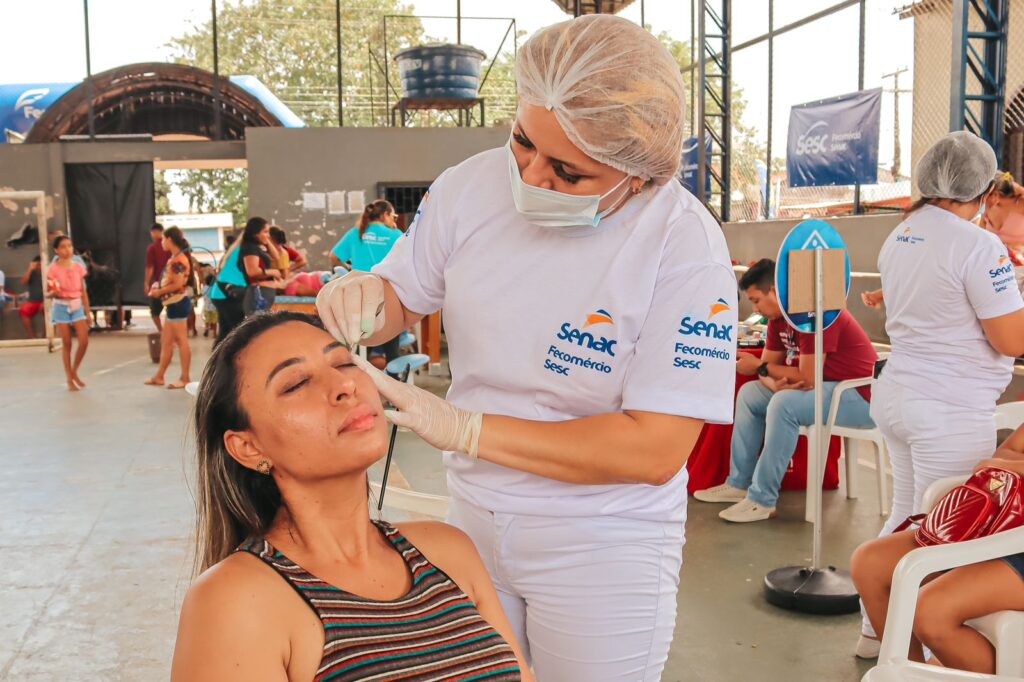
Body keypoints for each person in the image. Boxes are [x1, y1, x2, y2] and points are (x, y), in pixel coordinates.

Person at [315, 15, 738, 680]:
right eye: (522, 142)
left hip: (602, 538)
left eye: (569, 172)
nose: (532, 175)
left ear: (639, 172)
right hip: (473, 517)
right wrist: (364, 301)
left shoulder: (681, 246)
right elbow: (403, 295)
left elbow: (653, 449)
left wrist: (464, 427)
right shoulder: (468, 188)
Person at [171, 311, 530, 682]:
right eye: (296, 383)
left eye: (343, 361)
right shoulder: (237, 602)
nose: (345, 384)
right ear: (247, 447)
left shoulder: (449, 551)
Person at [857, 131, 1024, 657]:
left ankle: (875, 635)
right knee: (951, 536)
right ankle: (933, 658)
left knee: (907, 515)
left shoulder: (902, 233)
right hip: (949, 408)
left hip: (899, 392)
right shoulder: (978, 245)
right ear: (981, 186)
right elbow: (1011, 339)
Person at [693, 259, 878, 521]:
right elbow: (768, 367)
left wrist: (764, 370)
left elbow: (806, 376)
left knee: (784, 404)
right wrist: (768, 376)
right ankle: (739, 484)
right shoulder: (778, 320)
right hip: (828, 389)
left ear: (775, 291)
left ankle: (762, 500)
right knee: (750, 394)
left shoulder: (813, 314)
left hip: (861, 397)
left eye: (756, 300)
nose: (754, 308)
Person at [851, 427, 1024, 674]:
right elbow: (1002, 454)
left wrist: (1012, 464)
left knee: (930, 611)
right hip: (1000, 524)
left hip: (1017, 548)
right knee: (869, 564)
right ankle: (913, 673)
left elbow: (999, 461)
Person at [329, 200, 404, 370]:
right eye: (393, 216)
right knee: (391, 346)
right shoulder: (395, 235)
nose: (394, 219)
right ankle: (394, 386)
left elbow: (333, 256)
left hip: (359, 296)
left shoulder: (356, 233)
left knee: (363, 341)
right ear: (385, 215)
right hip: (387, 296)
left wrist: (349, 269)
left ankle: (360, 382)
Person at [145, 227, 193, 390]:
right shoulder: (175, 258)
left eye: (164, 239)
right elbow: (171, 281)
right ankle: (159, 376)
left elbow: (178, 283)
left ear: (170, 239)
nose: (162, 242)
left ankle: (185, 377)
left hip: (177, 303)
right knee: (166, 342)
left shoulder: (179, 259)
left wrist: (159, 291)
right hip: (173, 304)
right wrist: (159, 287)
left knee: (181, 341)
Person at [48, 236, 91, 391]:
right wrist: (54, 293)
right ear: (56, 250)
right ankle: (69, 379)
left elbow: (83, 291)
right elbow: (48, 292)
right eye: (63, 247)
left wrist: (88, 312)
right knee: (67, 342)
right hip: (61, 306)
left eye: (70, 246)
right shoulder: (53, 268)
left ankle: (74, 370)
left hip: (77, 305)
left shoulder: (78, 266)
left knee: (84, 340)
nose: (68, 249)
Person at [238, 217, 285, 317]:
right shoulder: (250, 248)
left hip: (265, 292)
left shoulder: (257, 247)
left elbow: (276, 257)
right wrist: (273, 272)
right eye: (265, 232)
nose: (268, 235)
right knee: (257, 329)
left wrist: (267, 241)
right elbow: (252, 271)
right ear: (255, 233)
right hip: (258, 293)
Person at [209, 235, 247, 346]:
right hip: (227, 295)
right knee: (236, 332)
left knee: (226, 332)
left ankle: (216, 360)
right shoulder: (243, 252)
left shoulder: (233, 251)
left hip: (220, 294)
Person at [145, 223, 171, 333]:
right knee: (172, 310)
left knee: (154, 312)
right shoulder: (172, 247)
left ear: (155, 232)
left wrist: (146, 282)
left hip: (158, 284)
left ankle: (162, 331)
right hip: (172, 283)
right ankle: (170, 331)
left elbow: (150, 267)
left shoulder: (152, 248)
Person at [18, 256, 44, 338]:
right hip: (32, 301)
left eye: (40, 264)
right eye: (37, 264)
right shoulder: (32, 272)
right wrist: (30, 268)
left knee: (49, 313)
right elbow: (23, 281)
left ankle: (45, 335)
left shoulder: (48, 272)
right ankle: (31, 336)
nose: (39, 266)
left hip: (45, 301)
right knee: (23, 311)